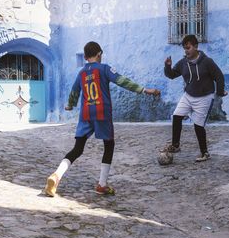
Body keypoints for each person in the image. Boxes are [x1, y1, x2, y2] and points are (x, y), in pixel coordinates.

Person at [45, 41, 160, 197]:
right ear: (99, 54)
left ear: (85, 57)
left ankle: (56, 175)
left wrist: (70, 105)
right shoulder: (104, 68)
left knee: (77, 149)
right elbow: (122, 81)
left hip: (85, 114)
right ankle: (102, 184)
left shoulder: (81, 73)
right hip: (102, 112)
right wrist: (144, 90)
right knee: (109, 144)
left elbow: (74, 92)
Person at [162, 34, 226, 161]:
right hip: (188, 95)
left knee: (198, 125)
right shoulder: (183, 63)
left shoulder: (207, 62)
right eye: (184, 49)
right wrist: (168, 67)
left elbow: (219, 76)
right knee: (177, 116)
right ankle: (175, 145)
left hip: (204, 97)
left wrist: (219, 92)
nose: (186, 51)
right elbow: (172, 75)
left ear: (196, 47)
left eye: (188, 48)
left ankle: (204, 153)